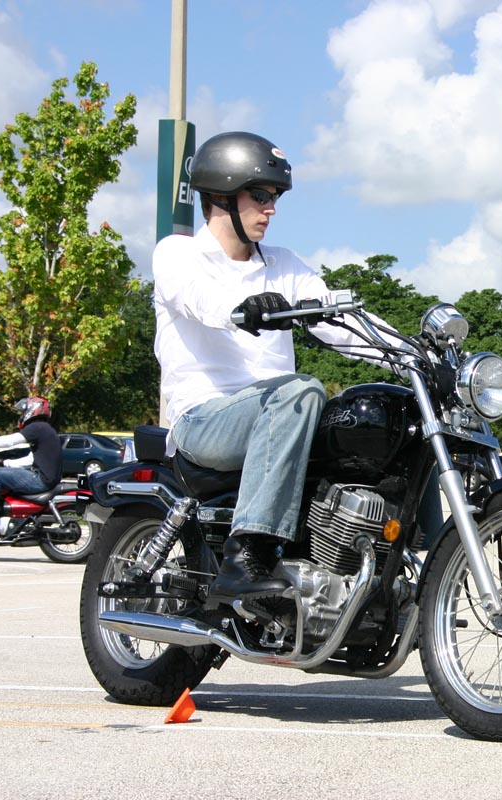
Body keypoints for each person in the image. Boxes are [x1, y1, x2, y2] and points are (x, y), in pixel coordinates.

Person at [152, 131, 397, 604]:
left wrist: (410, 353)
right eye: (261, 196)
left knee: (392, 416)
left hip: (277, 419)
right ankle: (247, 553)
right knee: (302, 390)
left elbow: (339, 319)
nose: (271, 209)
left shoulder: (285, 265)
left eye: (275, 198)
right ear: (221, 195)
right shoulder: (178, 253)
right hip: (204, 419)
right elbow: (197, 298)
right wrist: (243, 308)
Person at [0, 397, 62, 538]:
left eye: (23, 411)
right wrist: (3, 463)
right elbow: (30, 459)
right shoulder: (45, 430)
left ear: (33, 409)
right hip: (44, 477)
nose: (21, 415)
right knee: (0, 472)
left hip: (40, 479)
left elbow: (10, 441)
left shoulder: (38, 427)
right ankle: (1, 516)